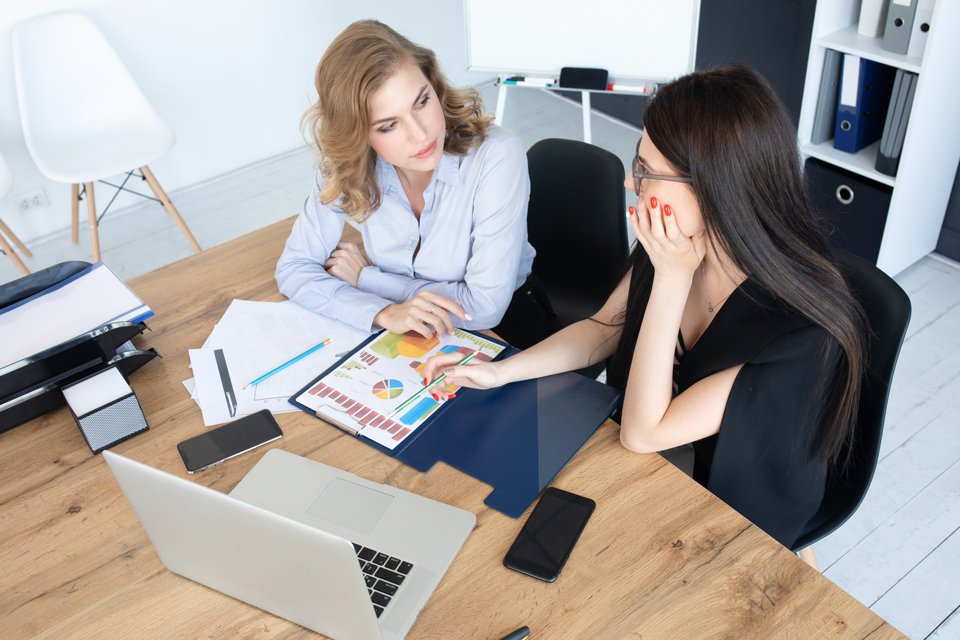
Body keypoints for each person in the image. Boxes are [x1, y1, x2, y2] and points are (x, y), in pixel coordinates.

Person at [424, 64, 867, 550]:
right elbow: (603, 327)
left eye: (646, 173)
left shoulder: (797, 336)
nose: (633, 186)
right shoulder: (678, 244)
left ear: (715, 186)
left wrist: (674, 282)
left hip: (729, 516)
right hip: (650, 466)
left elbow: (644, 432)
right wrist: (502, 372)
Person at [276, 20, 556, 346]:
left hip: (509, 333)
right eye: (389, 125)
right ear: (358, 134)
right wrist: (383, 313)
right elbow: (294, 267)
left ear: (433, 84)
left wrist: (367, 280)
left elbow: (484, 308)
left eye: (421, 102)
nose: (421, 134)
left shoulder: (496, 156)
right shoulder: (350, 165)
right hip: (407, 333)